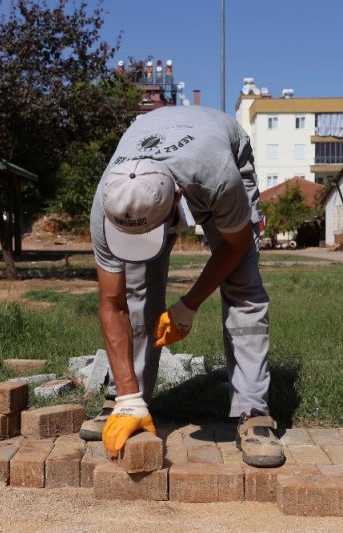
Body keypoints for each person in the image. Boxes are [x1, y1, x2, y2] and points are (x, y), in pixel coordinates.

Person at [80, 105, 285, 468]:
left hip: (220, 150)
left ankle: (253, 412)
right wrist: (128, 396)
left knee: (243, 284)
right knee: (138, 287)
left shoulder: (216, 177)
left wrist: (189, 304)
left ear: (177, 198)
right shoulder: (108, 203)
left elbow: (234, 248)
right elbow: (112, 304)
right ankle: (126, 398)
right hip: (161, 155)